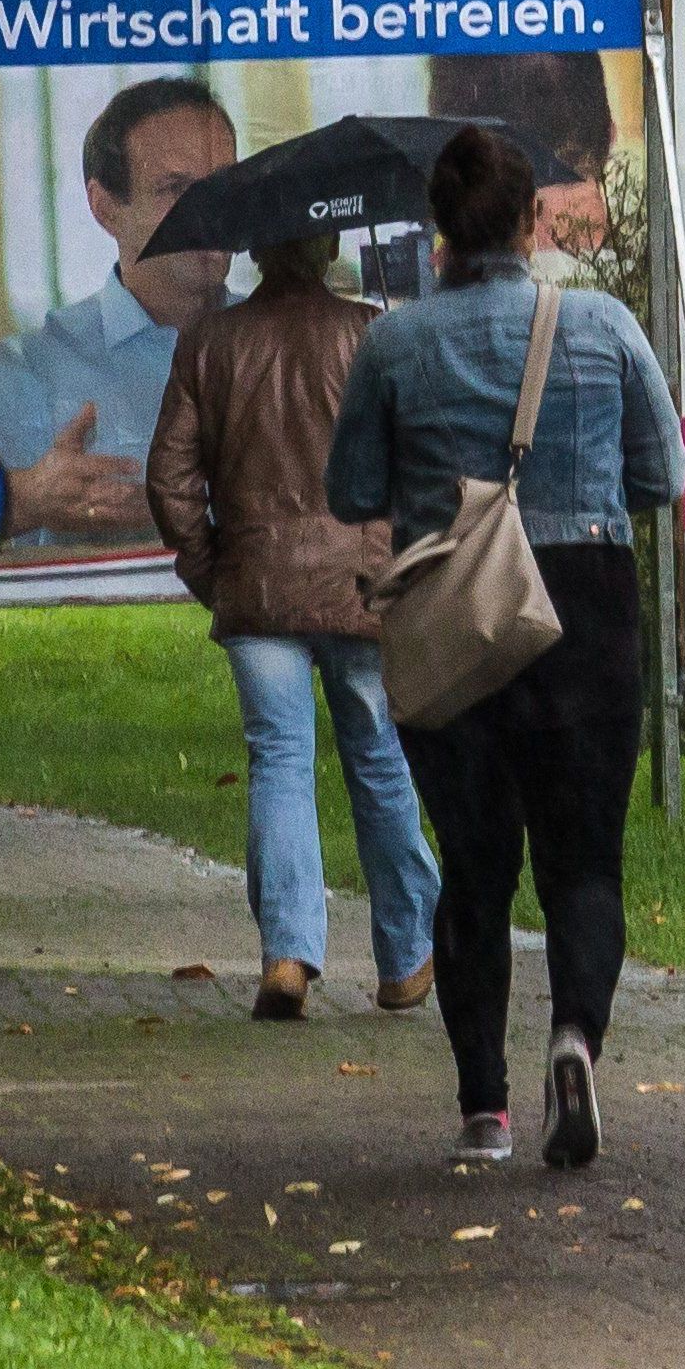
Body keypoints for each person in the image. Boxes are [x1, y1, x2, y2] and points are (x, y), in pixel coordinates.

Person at [325, 127, 682, 1168]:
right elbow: (662, 479)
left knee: (475, 867)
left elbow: (349, 493)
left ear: (439, 229)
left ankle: (482, 1110)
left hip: (452, 607)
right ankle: (574, 1038)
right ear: (532, 223)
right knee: (583, 865)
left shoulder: (393, 345)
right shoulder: (603, 325)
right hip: (587, 605)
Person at [147, 231, 441, 1023]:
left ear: (253, 250)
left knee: (279, 760)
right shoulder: (371, 332)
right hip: (362, 588)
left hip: (255, 587)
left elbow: (170, 480)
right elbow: (418, 464)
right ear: (329, 243)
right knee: (377, 759)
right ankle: (407, 954)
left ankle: (287, 954)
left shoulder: (209, 341)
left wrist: (214, 571)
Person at [0, 78, 239, 543]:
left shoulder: (304, 349)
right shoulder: (12, 381)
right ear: (106, 209)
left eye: (223, 183)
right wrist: (24, 500)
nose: (210, 210)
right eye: (174, 188)